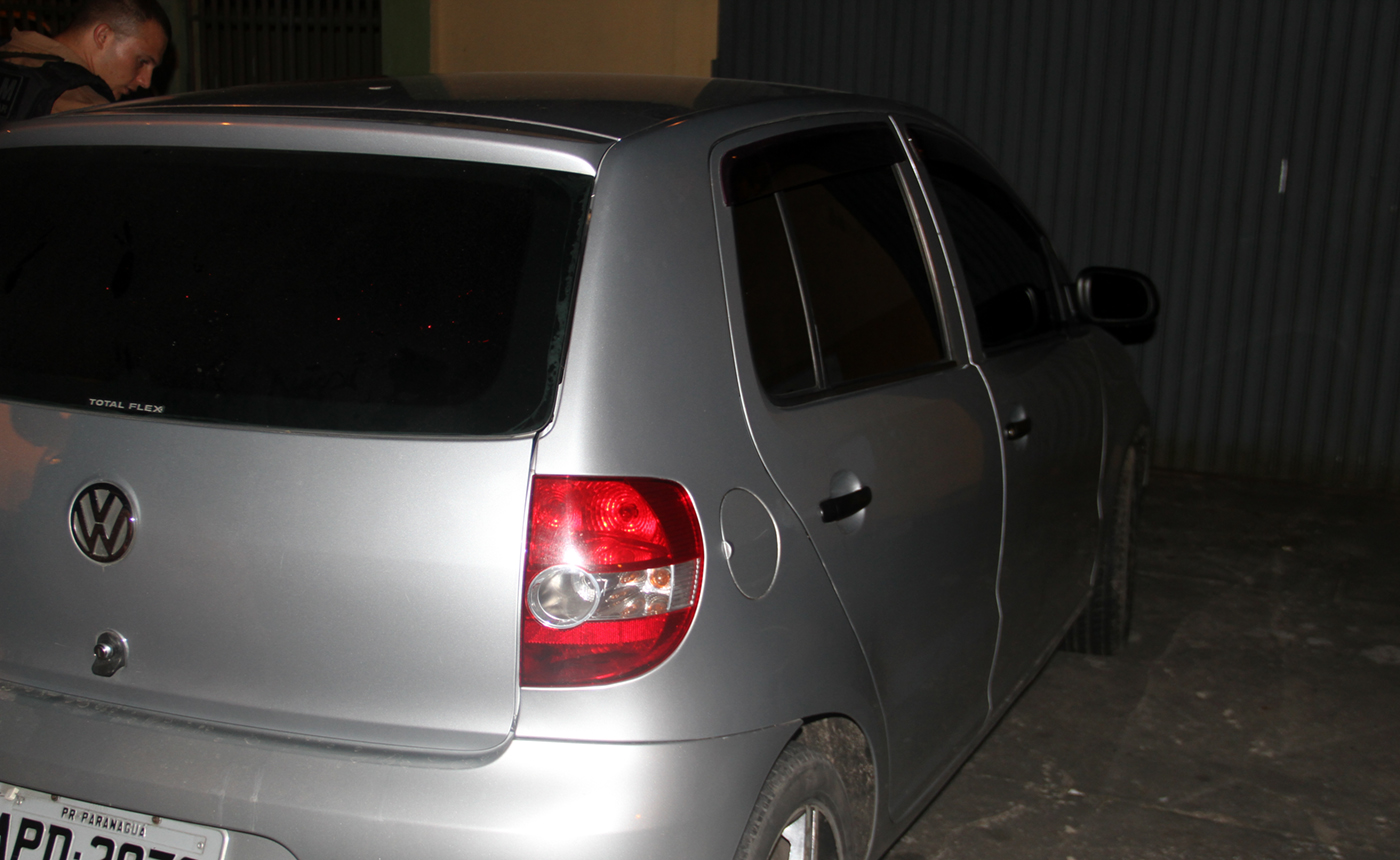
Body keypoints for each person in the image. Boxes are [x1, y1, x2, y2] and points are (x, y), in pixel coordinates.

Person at [0, 0, 169, 121]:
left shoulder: (12, 54)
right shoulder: (86, 111)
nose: (145, 82)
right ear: (103, 36)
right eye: (142, 61)